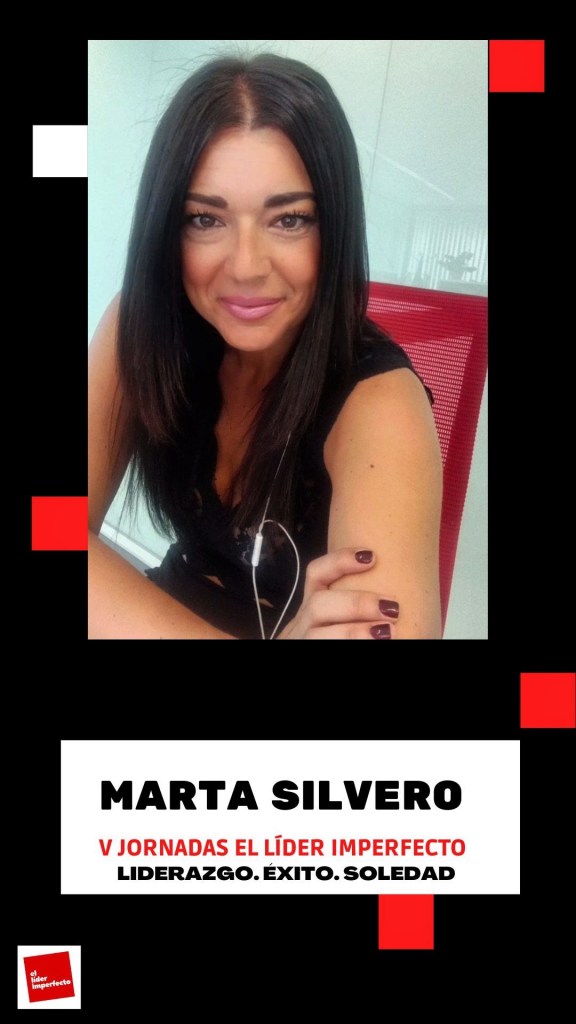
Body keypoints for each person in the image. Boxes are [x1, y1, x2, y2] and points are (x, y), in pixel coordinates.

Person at [88, 54, 442, 639]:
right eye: (205, 219)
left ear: (335, 228)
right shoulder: (145, 325)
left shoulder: (382, 406)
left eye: (289, 219)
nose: (247, 267)